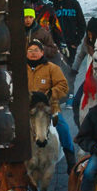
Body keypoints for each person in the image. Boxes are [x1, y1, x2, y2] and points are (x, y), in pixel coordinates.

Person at [26, 40, 75, 172]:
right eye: (30, 51)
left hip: (49, 108)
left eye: (36, 50)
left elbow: (63, 86)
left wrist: (50, 94)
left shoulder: (52, 68)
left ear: (42, 52)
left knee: (63, 127)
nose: (33, 53)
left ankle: (71, 158)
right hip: (27, 109)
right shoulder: (20, 70)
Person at [50, 0, 86, 65]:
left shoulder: (74, 4)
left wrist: (76, 42)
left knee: (68, 70)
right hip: (55, 45)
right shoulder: (50, 5)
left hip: (71, 44)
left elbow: (82, 24)